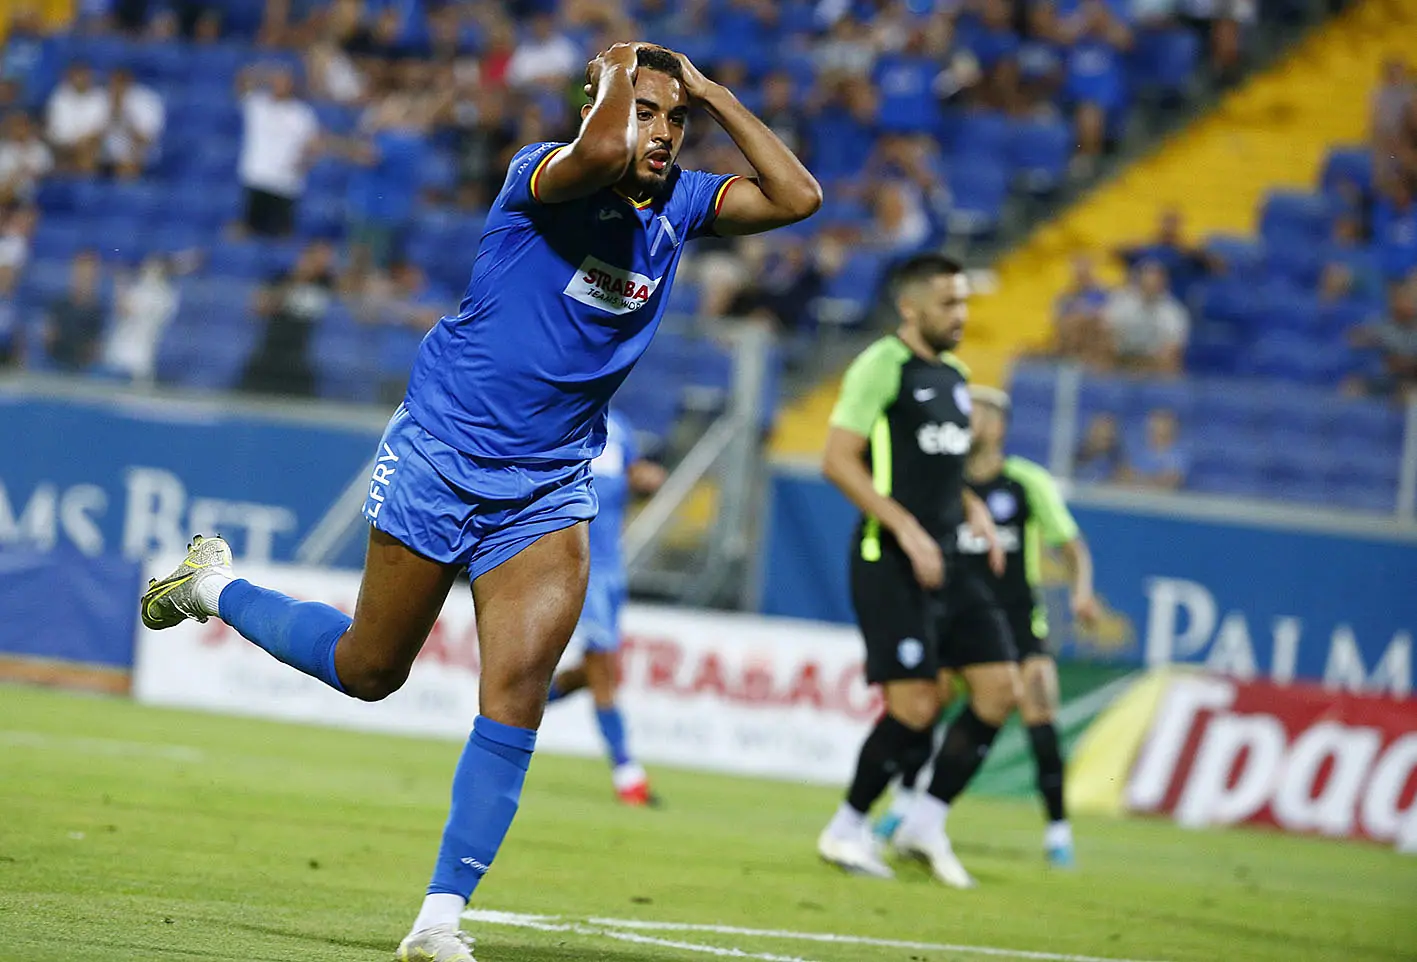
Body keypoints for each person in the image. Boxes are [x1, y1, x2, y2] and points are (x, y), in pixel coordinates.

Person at [139, 43, 819, 962]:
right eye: (644, 111)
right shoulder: (542, 173)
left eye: (675, 120)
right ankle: (212, 587)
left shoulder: (683, 205)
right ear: (600, 103)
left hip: (547, 485)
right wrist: (618, 78)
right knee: (368, 669)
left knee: (517, 693)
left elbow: (797, 197)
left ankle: (437, 919)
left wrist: (714, 93)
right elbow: (599, 151)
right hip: (441, 454)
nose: (662, 132)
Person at [815, 253, 1016, 889]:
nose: (961, 315)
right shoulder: (882, 365)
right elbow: (837, 460)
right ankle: (846, 828)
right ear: (911, 306)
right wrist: (905, 528)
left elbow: (941, 470)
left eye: (964, 302)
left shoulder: (956, 377)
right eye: (949, 303)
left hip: (953, 559)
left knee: (999, 689)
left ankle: (924, 825)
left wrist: (973, 508)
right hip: (891, 559)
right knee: (916, 705)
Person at [874, 387, 1099, 868]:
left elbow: (1072, 546)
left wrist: (1081, 593)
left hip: (1016, 623)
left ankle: (1058, 832)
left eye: (976, 413)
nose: (965, 419)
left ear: (997, 425)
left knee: (1040, 714)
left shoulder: (1025, 482)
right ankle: (905, 806)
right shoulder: (944, 479)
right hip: (950, 617)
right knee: (925, 707)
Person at [545, 409, 667, 805]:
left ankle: (519, 702)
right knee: (603, 664)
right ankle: (627, 771)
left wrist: (644, 479)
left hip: (613, 566)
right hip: (578, 562)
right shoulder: (561, 416)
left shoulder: (619, 426)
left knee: (598, 668)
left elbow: (626, 475)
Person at [239, 239, 337, 398]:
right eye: (319, 257)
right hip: (272, 346)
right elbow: (258, 308)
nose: (324, 262)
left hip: (302, 354)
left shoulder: (328, 282)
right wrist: (298, 279)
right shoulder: (282, 277)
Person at [236, 64, 320, 238]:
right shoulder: (258, 104)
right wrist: (267, 75)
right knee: (249, 230)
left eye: (285, 81)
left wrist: (305, 162)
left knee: (281, 235)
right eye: (278, 81)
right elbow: (242, 80)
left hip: (286, 183)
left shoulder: (301, 113)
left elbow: (313, 144)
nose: (280, 85)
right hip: (257, 177)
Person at [1102, 260, 1190, 374]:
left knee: (1171, 361)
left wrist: (1144, 363)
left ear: (1163, 284)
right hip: (1121, 356)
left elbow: (1172, 347)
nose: (1151, 285)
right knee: (1100, 345)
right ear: (1139, 281)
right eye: (1147, 281)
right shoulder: (1121, 301)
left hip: (1153, 361)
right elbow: (1106, 331)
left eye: (1156, 282)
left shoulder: (1174, 311)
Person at [1127, 408, 1189, 490]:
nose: (1159, 427)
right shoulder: (1138, 450)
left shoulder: (1179, 455)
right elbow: (1123, 475)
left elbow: (1170, 482)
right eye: (1155, 422)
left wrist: (1139, 479)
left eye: (1164, 423)